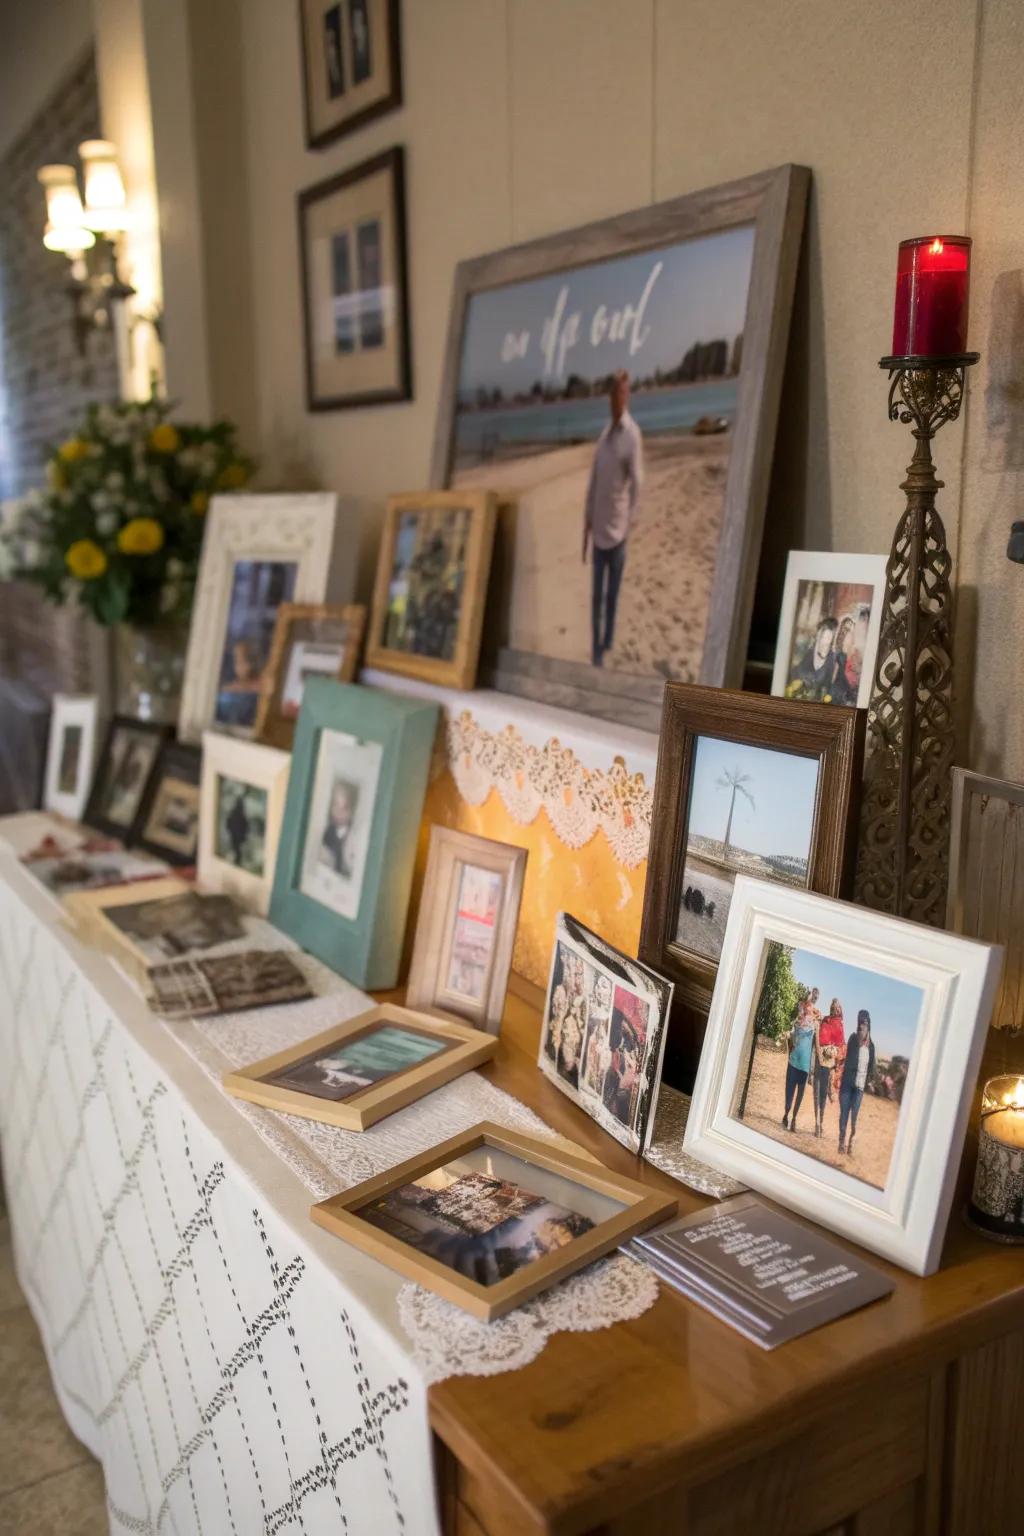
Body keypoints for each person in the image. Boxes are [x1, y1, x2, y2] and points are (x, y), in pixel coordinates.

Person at [582, 370, 643, 667]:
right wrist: (586, 522)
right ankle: (596, 649)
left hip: (618, 534)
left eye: (622, 393)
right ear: (609, 398)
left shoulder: (632, 436)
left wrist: (628, 522)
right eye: (614, 394)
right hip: (598, 532)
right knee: (596, 596)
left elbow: (638, 484)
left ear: (626, 396)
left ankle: (607, 640)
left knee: (611, 597)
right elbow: (593, 483)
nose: (618, 399)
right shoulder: (604, 436)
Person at [838, 1009, 875, 1154]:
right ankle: (841, 1142)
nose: (861, 1026)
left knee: (853, 1118)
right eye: (859, 1022)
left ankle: (851, 1141)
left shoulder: (871, 1047)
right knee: (844, 1114)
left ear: (868, 1025)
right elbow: (846, 1057)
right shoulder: (853, 1038)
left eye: (864, 1023)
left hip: (859, 1088)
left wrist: (870, 1082)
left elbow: (871, 1067)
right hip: (847, 1084)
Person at [782, 995, 816, 1131]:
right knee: (789, 1092)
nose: (807, 1011)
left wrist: (812, 1069)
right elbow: (790, 1040)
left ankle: (794, 1119)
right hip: (793, 1062)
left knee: (800, 1096)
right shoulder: (795, 1024)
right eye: (805, 1009)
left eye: (809, 1009)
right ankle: (786, 1114)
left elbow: (815, 1047)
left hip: (805, 1067)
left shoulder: (814, 1026)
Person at [813, 997, 846, 1138]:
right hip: (818, 1061)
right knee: (815, 1093)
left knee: (822, 1096)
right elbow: (818, 1036)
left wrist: (834, 1054)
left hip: (829, 1066)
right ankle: (817, 1124)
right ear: (831, 1008)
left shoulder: (840, 1025)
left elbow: (841, 1047)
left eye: (838, 1007)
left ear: (840, 1010)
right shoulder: (825, 1020)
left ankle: (821, 1122)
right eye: (833, 1006)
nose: (835, 1009)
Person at [791, 616, 838, 700]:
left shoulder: (831, 657)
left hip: (815, 699)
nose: (826, 641)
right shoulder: (809, 649)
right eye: (824, 637)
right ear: (820, 635)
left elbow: (827, 684)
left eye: (829, 638)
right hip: (798, 692)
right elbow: (797, 670)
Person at [320, 780, 355, 876]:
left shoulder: (353, 837)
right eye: (336, 805)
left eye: (344, 808)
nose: (339, 812)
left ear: (351, 811)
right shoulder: (326, 832)